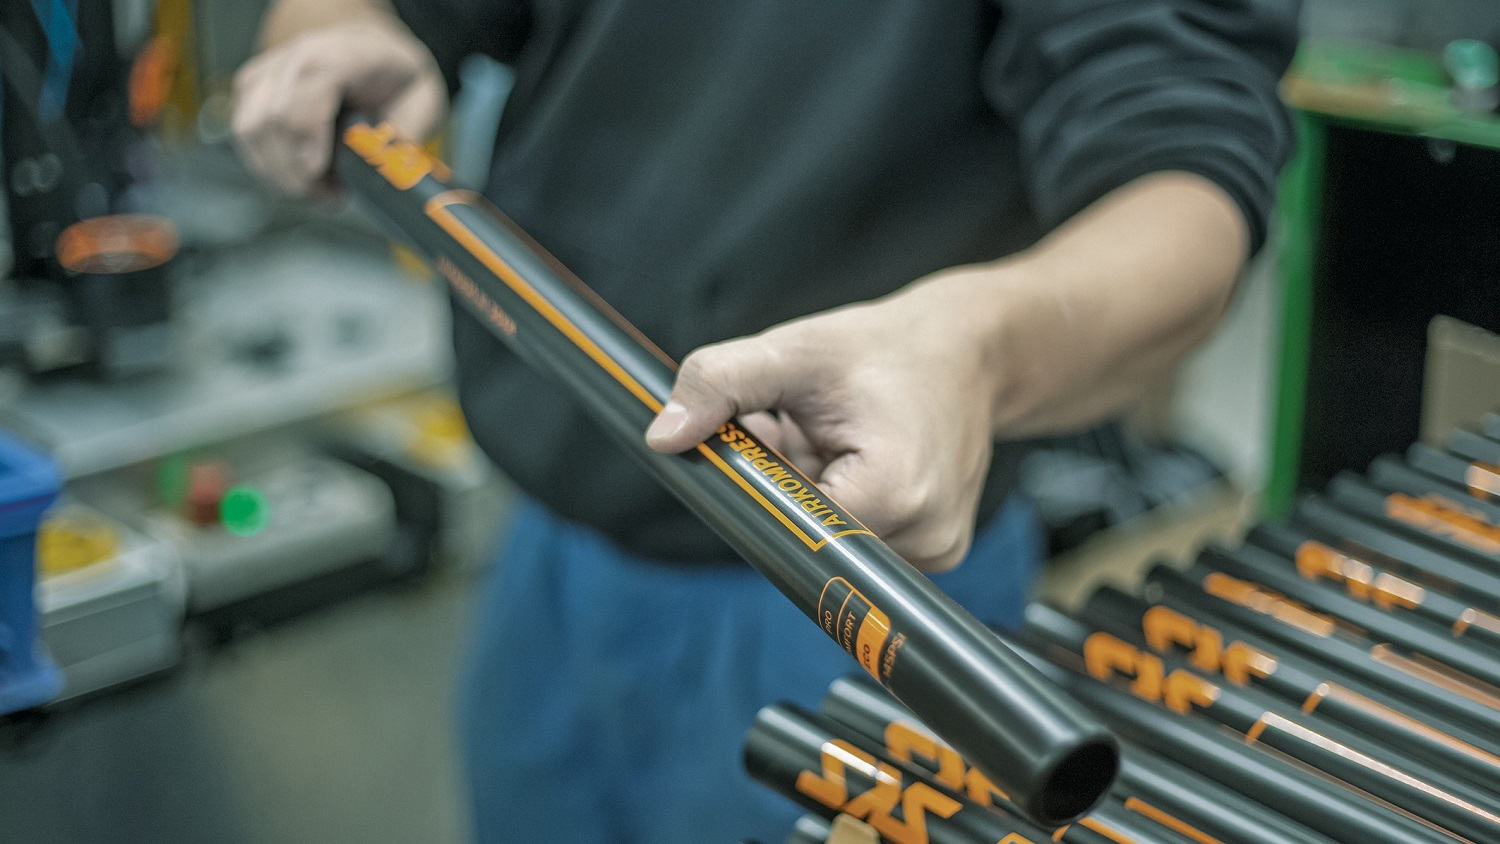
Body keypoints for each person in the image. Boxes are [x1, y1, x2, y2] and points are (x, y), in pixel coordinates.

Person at [232, 0, 1298, 840]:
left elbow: (1188, 172)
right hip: (552, 544)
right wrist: (329, 32)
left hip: (848, 595)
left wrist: (976, 347)